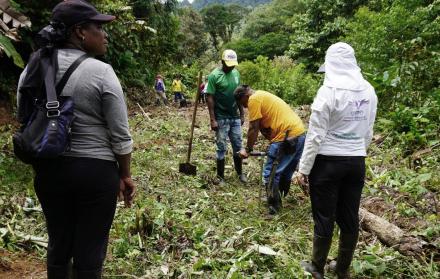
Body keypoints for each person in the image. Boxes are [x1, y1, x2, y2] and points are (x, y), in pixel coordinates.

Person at [16, 1, 135, 278]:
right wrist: (126, 174)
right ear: (80, 32)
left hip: (49, 172)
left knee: (59, 243)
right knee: (90, 250)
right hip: (95, 173)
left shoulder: (32, 68)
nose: (105, 35)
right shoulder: (101, 72)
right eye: (99, 28)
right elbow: (120, 135)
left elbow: (25, 118)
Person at [298, 42, 377, 279]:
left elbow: (315, 135)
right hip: (355, 163)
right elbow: (368, 130)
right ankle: (342, 269)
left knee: (324, 216)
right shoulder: (368, 90)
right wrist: (357, 152)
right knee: (349, 216)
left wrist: (304, 168)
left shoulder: (328, 91)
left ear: (331, 64)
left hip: (327, 163)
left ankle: (317, 267)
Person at [236, 86, 306, 214]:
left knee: (270, 173)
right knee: (286, 170)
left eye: (244, 104)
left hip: (285, 137)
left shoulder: (253, 99)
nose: (246, 107)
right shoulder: (263, 95)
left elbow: (253, 127)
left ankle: (274, 207)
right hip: (299, 133)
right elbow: (266, 125)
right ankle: (280, 198)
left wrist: (248, 149)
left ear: (244, 97)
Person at [206, 49, 246, 184]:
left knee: (238, 144)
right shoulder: (214, 76)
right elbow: (209, 97)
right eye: (229, 64)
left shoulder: (236, 74)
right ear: (223, 61)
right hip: (221, 117)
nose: (231, 66)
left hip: (234, 116)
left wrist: (242, 113)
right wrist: (212, 119)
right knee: (221, 146)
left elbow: (239, 95)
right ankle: (220, 176)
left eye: (233, 64)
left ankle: (240, 173)